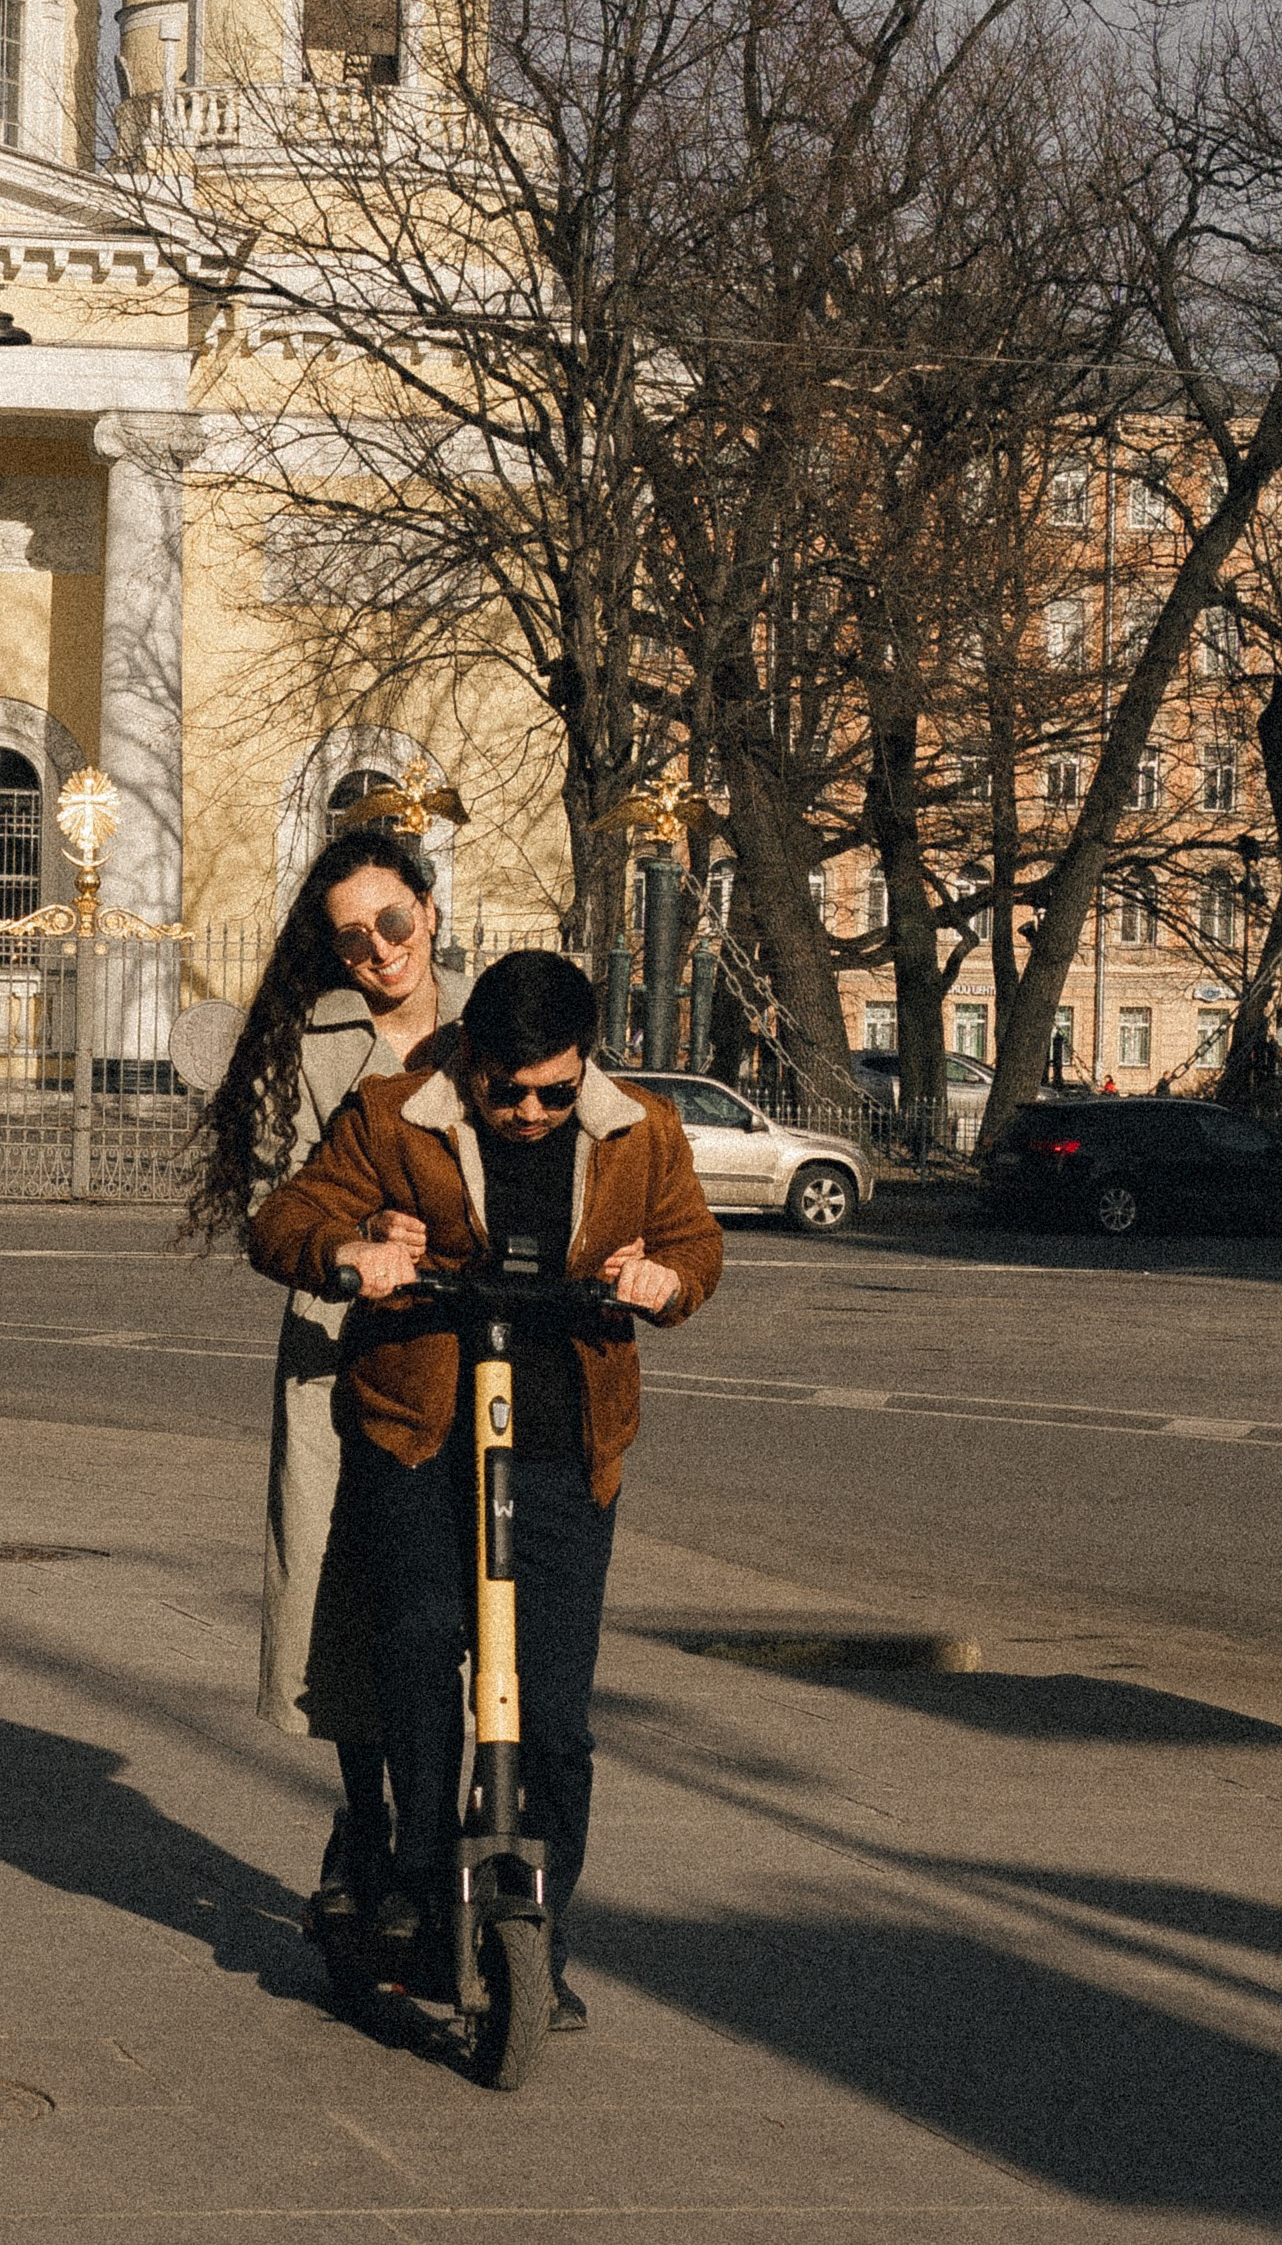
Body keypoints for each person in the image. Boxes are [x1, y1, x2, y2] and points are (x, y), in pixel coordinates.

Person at [247, 949, 723, 2032]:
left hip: (564, 1450)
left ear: (584, 1064)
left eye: (553, 1090)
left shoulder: (638, 1131)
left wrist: (667, 1280)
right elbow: (281, 1221)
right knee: (417, 1646)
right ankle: (416, 1879)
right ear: (466, 1062)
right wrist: (350, 1250)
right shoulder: (389, 1116)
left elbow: (695, 1242)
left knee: (552, 1713)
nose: (525, 1110)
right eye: (501, 1087)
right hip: (419, 1435)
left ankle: (538, 1931)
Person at [187, 827, 465, 1926]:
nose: (380, 949)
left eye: (394, 922)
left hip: (468, 1336)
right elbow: (270, 1200)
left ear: (430, 910)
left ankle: (464, 1850)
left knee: (458, 1596)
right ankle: (370, 1820)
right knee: (342, 1585)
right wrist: (354, 1229)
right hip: (343, 1338)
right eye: (352, 937)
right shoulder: (306, 1042)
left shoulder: (493, 1021)